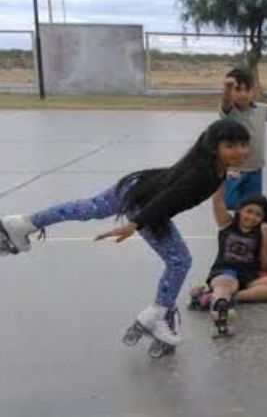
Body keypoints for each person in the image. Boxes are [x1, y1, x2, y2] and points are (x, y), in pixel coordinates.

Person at [0, 120, 251, 357]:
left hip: (136, 186)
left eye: (242, 144)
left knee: (88, 208)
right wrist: (135, 224)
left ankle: (22, 224)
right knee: (179, 260)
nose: (239, 151)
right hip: (145, 205)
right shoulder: (203, 174)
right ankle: (157, 316)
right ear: (213, 147)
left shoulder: (214, 169)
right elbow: (169, 199)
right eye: (230, 146)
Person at [188, 188, 267, 337]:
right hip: (224, 272)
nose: (252, 217)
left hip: (248, 276)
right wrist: (220, 176)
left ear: (263, 218)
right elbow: (217, 201)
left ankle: (216, 298)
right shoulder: (226, 224)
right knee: (227, 284)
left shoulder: (262, 230)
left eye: (258, 215)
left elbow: (265, 262)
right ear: (239, 210)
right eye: (249, 211)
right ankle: (220, 307)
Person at [219, 68, 267, 210]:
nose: (243, 94)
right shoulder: (230, 112)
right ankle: (236, 224)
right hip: (235, 169)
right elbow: (225, 101)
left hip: (255, 168)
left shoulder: (261, 109)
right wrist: (227, 88)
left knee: (253, 205)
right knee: (230, 203)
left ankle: (246, 229)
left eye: (247, 89)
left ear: (253, 91)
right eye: (237, 89)